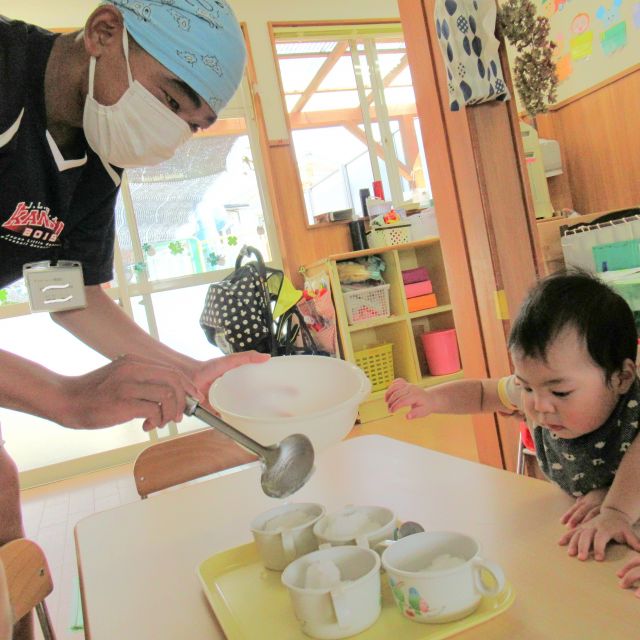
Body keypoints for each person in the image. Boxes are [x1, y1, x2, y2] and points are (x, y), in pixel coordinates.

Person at [1, 2, 263, 637]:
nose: (171, 134)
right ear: (104, 31)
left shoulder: (100, 155)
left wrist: (193, 371)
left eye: (193, 125)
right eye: (170, 100)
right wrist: (67, 398)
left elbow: (66, 292)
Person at [386, 270, 640, 591]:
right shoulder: (537, 393)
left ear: (621, 378)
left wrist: (616, 507)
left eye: (560, 393)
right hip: (589, 542)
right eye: (526, 387)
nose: (538, 405)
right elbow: (483, 392)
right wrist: (431, 397)